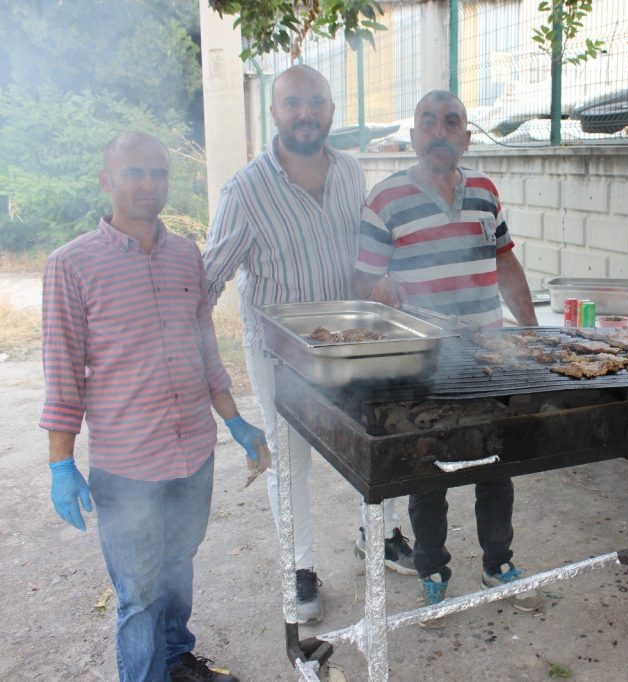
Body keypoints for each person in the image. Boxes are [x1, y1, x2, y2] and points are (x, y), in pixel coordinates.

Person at [41, 132, 266, 682]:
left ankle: (176, 658)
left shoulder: (187, 256)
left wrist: (234, 420)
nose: (148, 184)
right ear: (106, 181)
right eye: (134, 172)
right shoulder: (70, 265)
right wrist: (60, 463)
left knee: (178, 568)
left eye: (159, 173)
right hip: (128, 466)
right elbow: (63, 373)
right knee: (138, 595)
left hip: (194, 453)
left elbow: (205, 348)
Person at [203, 65, 414, 625]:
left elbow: (364, 255)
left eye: (316, 102)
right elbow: (208, 278)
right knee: (290, 459)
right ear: (274, 113)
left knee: (373, 436)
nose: (306, 113)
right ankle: (299, 571)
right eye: (293, 103)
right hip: (280, 351)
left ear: (331, 111)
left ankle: (380, 534)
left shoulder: (350, 171)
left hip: (348, 341)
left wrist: (378, 284)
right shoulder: (245, 190)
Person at [353, 90, 541, 628]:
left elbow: (506, 264)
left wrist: (529, 335)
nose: (439, 131)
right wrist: (378, 287)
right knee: (427, 466)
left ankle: (498, 563)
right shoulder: (384, 200)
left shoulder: (484, 191)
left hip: (488, 353)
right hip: (423, 359)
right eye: (428, 122)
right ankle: (433, 571)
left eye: (451, 122)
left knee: (496, 463)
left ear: (465, 136)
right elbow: (362, 279)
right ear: (413, 136)